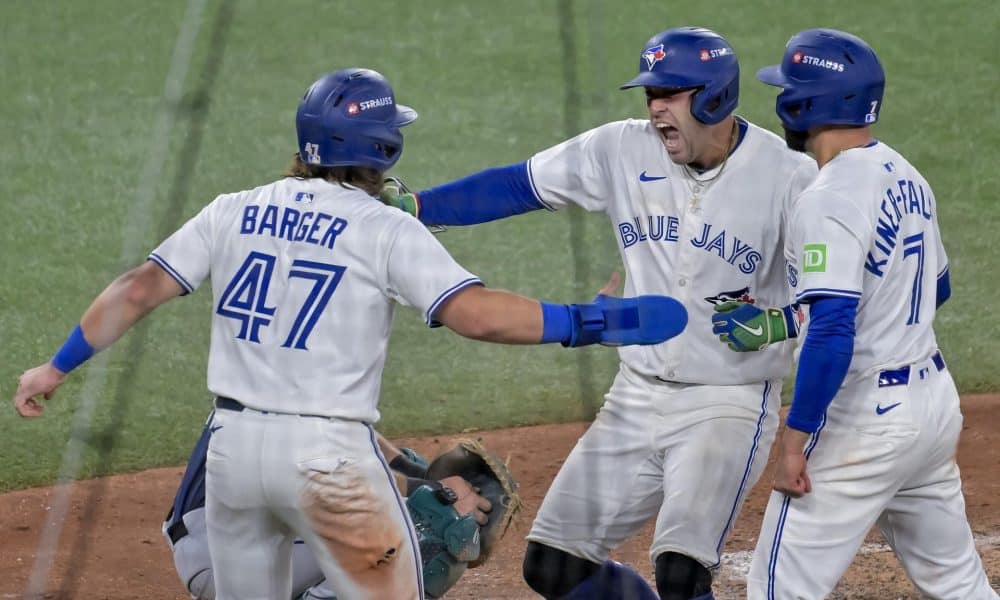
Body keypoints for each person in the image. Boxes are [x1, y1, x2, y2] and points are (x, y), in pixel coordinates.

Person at [11, 68, 686, 600]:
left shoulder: (235, 209)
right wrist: (589, 322)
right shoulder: (383, 226)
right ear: (384, 148)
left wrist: (55, 367)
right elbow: (474, 313)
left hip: (232, 455)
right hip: (328, 461)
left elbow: (136, 288)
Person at [382, 27, 816, 600]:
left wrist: (778, 322)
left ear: (714, 97)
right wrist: (417, 207)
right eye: (649, 96)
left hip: (726, 404)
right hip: (635, 396)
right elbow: (519, 185)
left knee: (682, 574)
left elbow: (832, 299)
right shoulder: (621, 148)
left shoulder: (789, 177)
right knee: (551, 565)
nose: (656, 109)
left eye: (670, 94)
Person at [745, 28, 997, 598]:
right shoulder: (906, 173)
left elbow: (832, 332)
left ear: (809, 103)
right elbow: (940, 287)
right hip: (931, 406)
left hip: (865, 419)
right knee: (958, 583)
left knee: (776, 588)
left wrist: (795, 440)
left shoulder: (827, 197)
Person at [162, 411, 483, 599]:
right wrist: (434, 492)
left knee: (402, 510)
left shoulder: (274, 370)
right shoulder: (282, 389)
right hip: (224, 553)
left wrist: (417, 476)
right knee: (416, 529)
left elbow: (350, 432)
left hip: (224, 536)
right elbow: (341, 470)